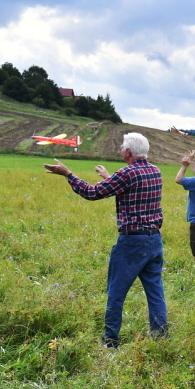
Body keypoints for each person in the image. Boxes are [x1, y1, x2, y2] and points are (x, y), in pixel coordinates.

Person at [44, 132, 168, 348]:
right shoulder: (155, 171)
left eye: (122, 147)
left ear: (128, 152)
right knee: (155, 293)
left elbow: (92, 193)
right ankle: (160, 337)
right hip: (154, 240)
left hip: (131, 243)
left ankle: (110, 341)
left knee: (116, 293)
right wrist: (108, 176)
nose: (121, 149)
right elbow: (130, 190)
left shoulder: (127, 173)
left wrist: (68, 174)